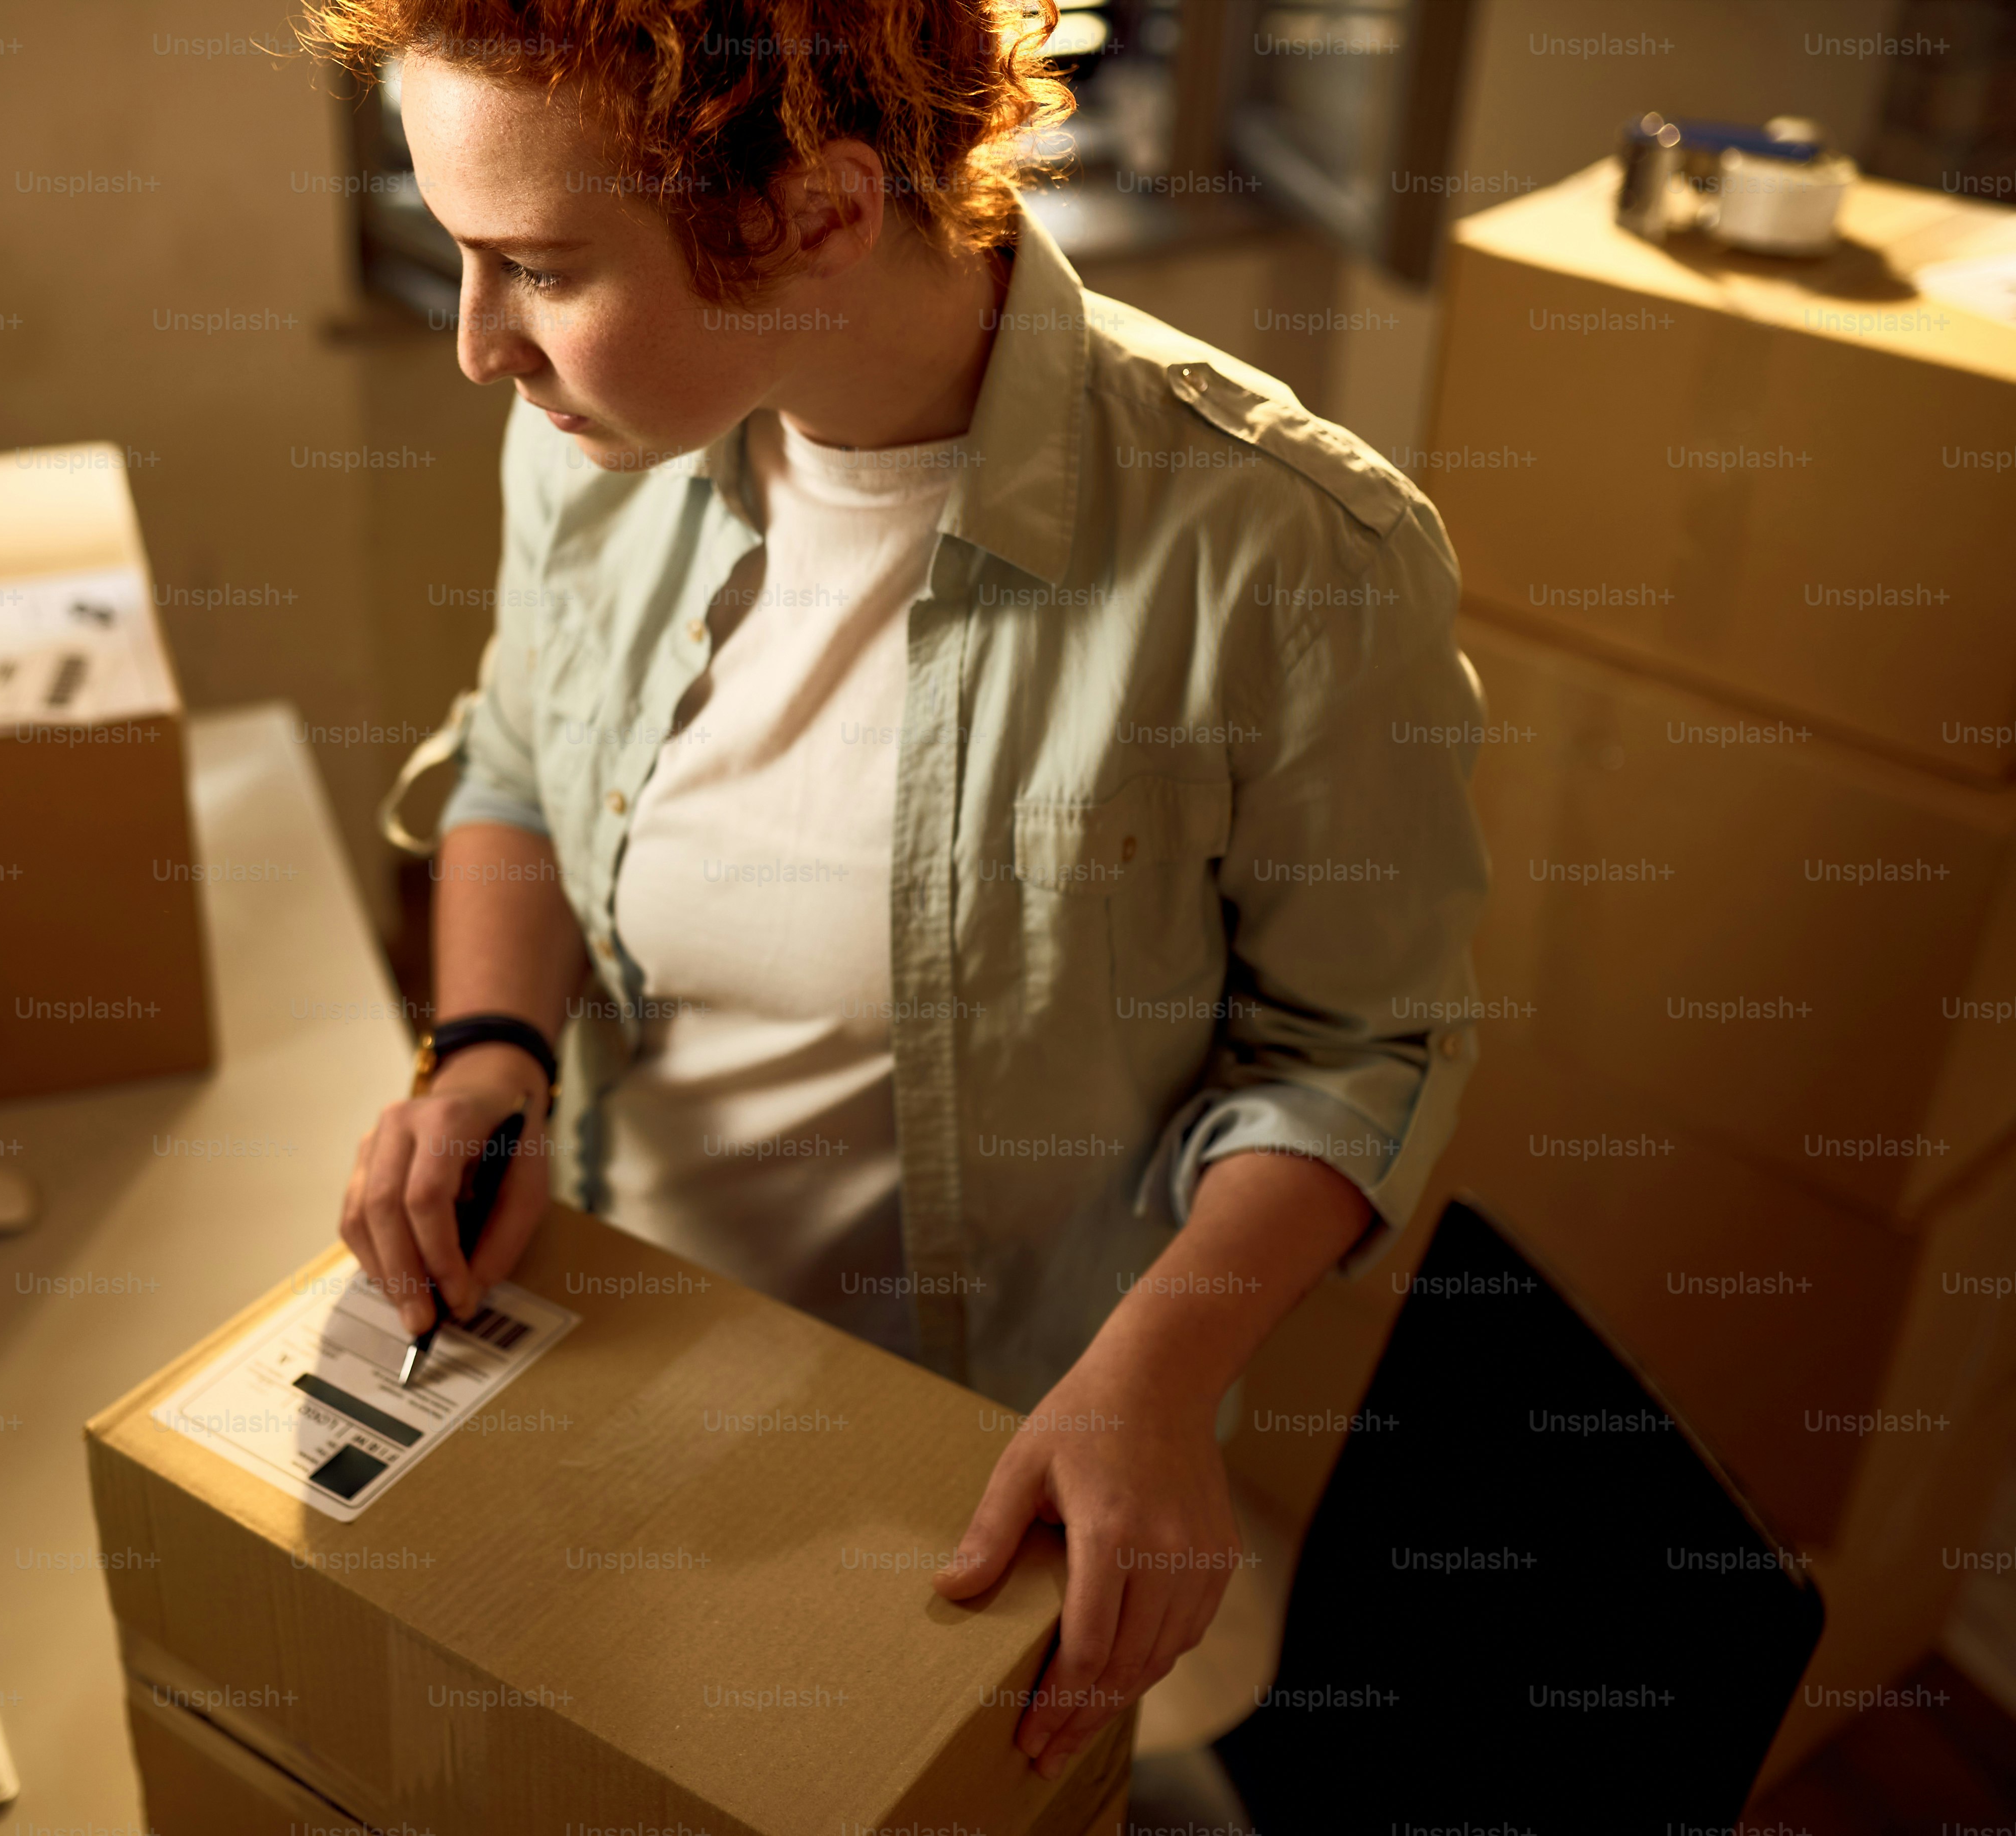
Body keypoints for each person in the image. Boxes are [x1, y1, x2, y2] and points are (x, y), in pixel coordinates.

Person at [309, 0, 1490, 1785]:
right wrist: (489, 1052)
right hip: (607, 1345)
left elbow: (1357, 1050)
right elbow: (518, 766)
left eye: (539, 269)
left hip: (971, 1456)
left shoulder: (1292, 550)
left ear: (822, 215)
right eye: (459, 256)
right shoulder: (586, 440)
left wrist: (1159, 1380)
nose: (482, 346)